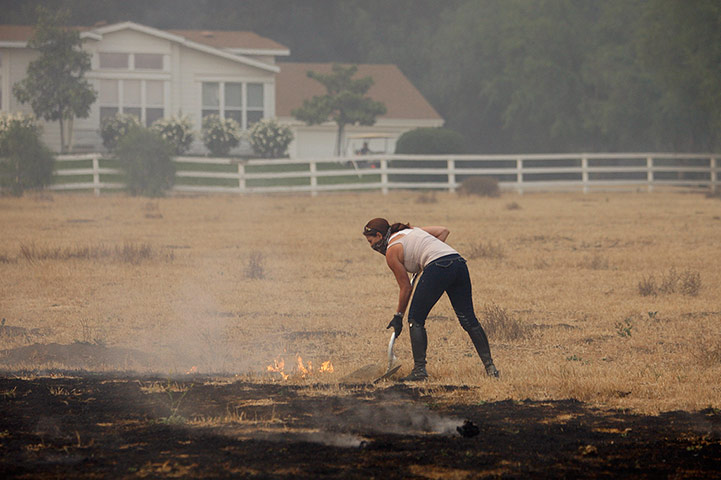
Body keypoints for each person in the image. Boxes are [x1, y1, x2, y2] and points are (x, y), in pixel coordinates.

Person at [363, 218, 499, 381]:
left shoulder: (392, 251)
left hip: (438, 268)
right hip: (458, 263)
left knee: (415, 319)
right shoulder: (412, 231)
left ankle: (420, 371)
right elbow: (443, 231)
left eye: (371, 241)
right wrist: (429, 254)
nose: (371, 246)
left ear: (379, 235)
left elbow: (406, 288)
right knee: (468, 319)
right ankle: (491, 368)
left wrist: (398, 316)